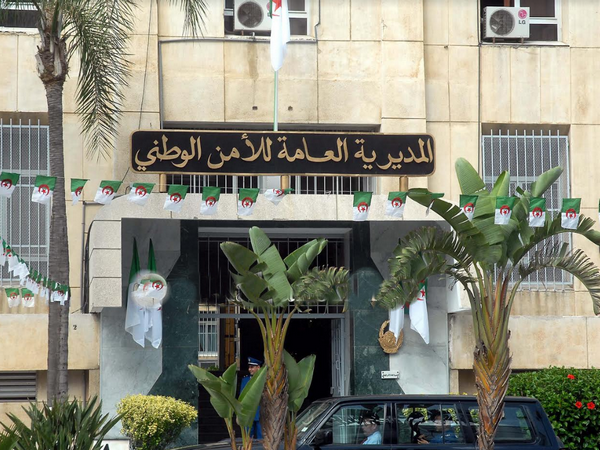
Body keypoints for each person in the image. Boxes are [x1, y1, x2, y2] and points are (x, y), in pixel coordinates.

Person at [240, 356, 263, 439]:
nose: (250, 369)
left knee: (261, 438)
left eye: (252, 367)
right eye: (249, 367)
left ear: (258, 367)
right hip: (248, 414)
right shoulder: (245, 380)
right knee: (248, 438)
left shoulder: (264, 379)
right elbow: (242, 397)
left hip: (261, 412)